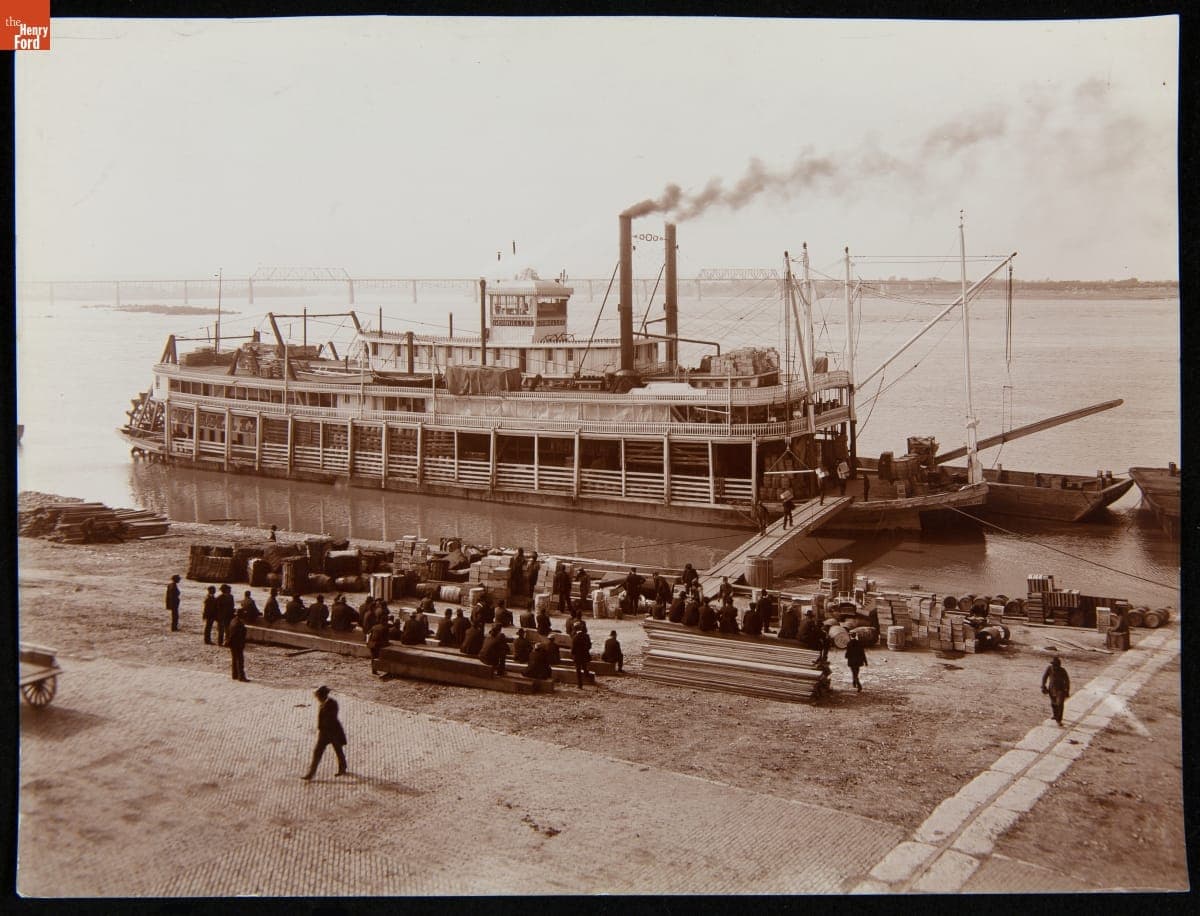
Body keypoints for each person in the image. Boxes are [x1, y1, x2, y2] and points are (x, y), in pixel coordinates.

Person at [300, 685, 347, 780]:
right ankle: (311, 773)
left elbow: (331, 719)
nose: (316, 698)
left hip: (333, 732)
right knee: (318, 752)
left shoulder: (332, 703)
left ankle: (342, 768)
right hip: (325, 733)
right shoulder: (323, 703)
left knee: (338, 750)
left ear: (322, 695)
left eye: (318, 696)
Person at [1041, 656, 1071, 725]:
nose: (1054, 667)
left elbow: (1067, 681)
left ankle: (1059, 719)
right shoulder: (1049, 668)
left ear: (1059, 665)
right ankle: (1055, 715)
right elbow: (1044, 677)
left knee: (1060, 704)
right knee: (1053, 703)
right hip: (1051, 689)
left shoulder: (1062, 670)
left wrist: (1067, 690)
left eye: (1056, 665)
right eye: (1053, 665)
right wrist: (1043, 686)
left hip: (1061, 690)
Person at [228, 608, 249, 682]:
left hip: (233, 644)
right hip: (237, 644)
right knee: (240, 660)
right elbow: (238, 635)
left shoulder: (233, 620)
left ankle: (235, 675)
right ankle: (241, 676)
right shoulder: (239, 624)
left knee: (234, 659)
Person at [571, 622, 593, 688]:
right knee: (584, 667)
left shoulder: (575, 638)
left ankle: (580, 685)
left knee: (578, 671)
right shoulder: (586, 636)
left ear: (575, 629)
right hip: (585, 655)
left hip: (577, 657)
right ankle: (588, 677)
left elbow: (573, 649)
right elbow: (589, 646)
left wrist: (573, 655)